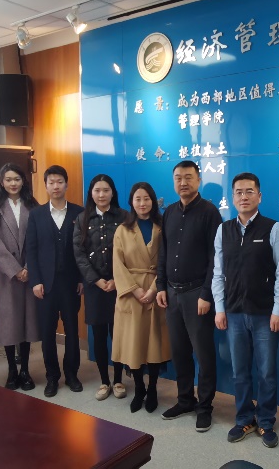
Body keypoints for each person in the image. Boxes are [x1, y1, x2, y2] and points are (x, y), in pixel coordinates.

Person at [212, 172, 279, 449]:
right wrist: (219, 308)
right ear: (232, 197)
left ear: (259, 196)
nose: (243, 197)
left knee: (266, 371)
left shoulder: (273, 228)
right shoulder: (224, 230)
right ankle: (244, 418)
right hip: (233, 313)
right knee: (240, 371)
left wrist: (278, 309)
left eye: (249, 191)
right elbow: (218, 272)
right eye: (238, 192)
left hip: (265, 313)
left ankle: (266, 420)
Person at [156, 160, 222, 432]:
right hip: (172, 293)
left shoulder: (209, 212)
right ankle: (185, 400)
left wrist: (207, 293)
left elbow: (216, 258)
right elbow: (163, 251)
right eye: (178, 178)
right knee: (180, 352)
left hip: (198, 295)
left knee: (204, 355)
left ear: (198, 180)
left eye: (188, 177)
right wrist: (161, 285)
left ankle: (204, 407)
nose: (183, 182)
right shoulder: (169, 212)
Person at [25, 165, 85, 398]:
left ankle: (72, 374)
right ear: (46, 185)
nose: (56, 186)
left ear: (66, 184)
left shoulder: (79, 213)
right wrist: (35, 281)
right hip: (45, 286)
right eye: (51, 182)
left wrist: (81, 278)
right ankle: (52, 377)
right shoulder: (36, 215)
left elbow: (83, 249)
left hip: (70, 283)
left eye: (60, 182)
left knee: (72, 330)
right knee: (48, 333)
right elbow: (31, 250)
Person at [111, 182, 170, 413]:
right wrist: (134, 289)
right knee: (133, 344)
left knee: (154, 344)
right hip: (130, 294)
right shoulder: (122, 230)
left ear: (153, 201)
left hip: (156, 291)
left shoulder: (163, 227)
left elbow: (168, 260)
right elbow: (117, 264)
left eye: (146, 198)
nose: (142, 203)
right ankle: (139, 388)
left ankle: (152, 388)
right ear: (131, 202)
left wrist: (154, 289)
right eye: (138, 199)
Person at [0, 163, 40, 391]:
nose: (13, 183)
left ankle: (25, 370)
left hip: (29, 273)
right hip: (5, 275)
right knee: (8, 323)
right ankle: (12, 370)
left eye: (17, 179)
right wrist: (15, 270)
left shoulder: (33, 206)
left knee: (26, 322)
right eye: (8, 180)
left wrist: (28, 268)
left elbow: (39, 240)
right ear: (1, 182)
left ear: (23, 181)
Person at [73, 174, 128, 401]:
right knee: (98, 335)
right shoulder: (82, 218)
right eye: (97, 190)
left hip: (119, 286)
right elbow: (79, 254)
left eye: (106, 190)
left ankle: (118, 380)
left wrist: (117, 279)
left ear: (113, 192)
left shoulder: (124, 217)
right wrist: (96, 280)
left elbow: (130, 252)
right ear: (91, 193)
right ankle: (104, 381)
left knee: (118, 334)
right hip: (95, 287)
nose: (102, 195)